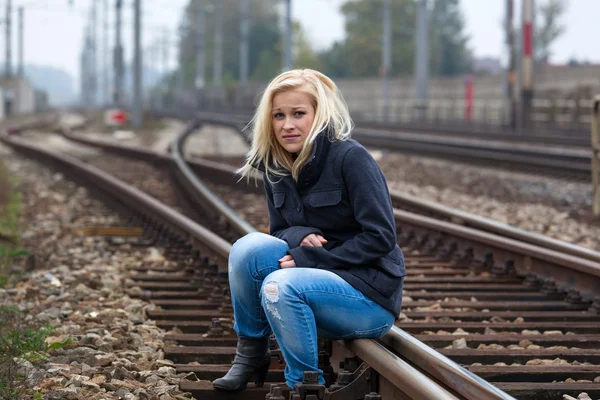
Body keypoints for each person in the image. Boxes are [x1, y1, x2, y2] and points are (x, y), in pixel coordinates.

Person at [212, 69, 406, 392]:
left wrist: (312, 257)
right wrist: (297, 235)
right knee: (246, 250)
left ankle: (304, 387)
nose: (288, 124)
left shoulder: (352, 159)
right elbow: (279, 231)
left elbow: (381, 238)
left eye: (298, 113)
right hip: (319, 282)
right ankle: (250, 353)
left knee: (278, 286)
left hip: (368, 297)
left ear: (318, 115)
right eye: (279, 115)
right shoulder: (275, 164)